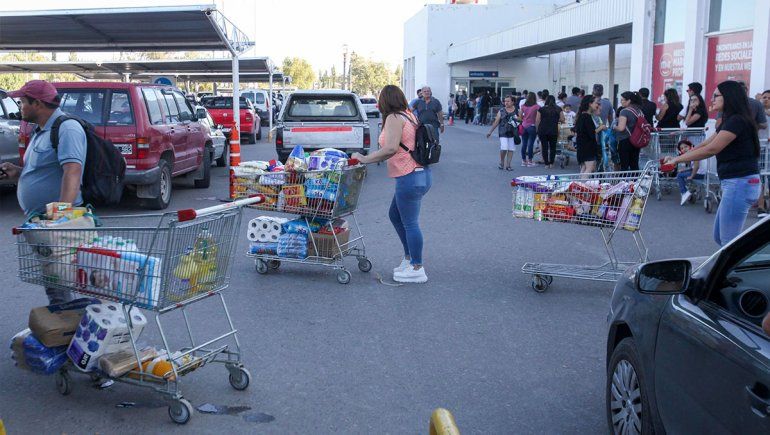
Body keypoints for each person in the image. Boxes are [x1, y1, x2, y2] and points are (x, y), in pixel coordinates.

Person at [0, 80, 87, 304]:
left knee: (59, 280)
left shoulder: (67, 128)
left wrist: (59, 218)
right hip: (43, 220)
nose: (19, 107)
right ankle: (64, 324)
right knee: (54, 281)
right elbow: (45, 170)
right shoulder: (40, 131)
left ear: (37, 103)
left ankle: (65, 326)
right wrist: (18, 172)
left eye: (22, 102)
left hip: (57, 220)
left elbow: (72, 172)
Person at [664, 80, 762, 247]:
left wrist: (677, 160)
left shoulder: (737, 120)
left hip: (740, 182)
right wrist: (678, 157)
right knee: (720, 238)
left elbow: (712, 149)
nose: (712, 99)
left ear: (729, 97)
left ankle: (734, 270)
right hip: (735, 182)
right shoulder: (729, 119)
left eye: (716, 95)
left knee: (728, 243)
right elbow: (707, 144)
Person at [352, 85, 431, 283]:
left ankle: (417, 267)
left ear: (386, 101)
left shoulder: (394, 118)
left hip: (409, 175)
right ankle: (409, 258)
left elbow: (390, 149)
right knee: (395, 215)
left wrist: (364, 158)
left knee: (410, 222)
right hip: (420, 173)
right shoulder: (409, 115)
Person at [574, 95, 606, 175]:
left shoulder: (582, 115)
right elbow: (591, 133)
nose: (597, 105)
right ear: (589, 104)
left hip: (582, 146)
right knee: (589, 169)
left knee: (584, 168)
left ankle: (579, 186)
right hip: (588, 147)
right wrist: (601, 127)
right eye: (596, 103)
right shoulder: (587, 117)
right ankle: (582, 186)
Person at [613, 91, 645, 171]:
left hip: (625, 140)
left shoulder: (624, 111)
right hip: (636, 140)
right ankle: (636, 182)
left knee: (624, 165)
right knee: (634, 164)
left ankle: (624, 182)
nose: (621, 102)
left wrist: (614, 126)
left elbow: (621, 128)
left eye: (623, 100)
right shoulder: (639, 111)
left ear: (629, 101)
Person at [486, 95, 519, 171]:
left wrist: (518, 120)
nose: (506, 103)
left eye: (508, 101)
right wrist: (490, 132)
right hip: (503, 132)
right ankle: (501, 162)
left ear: (513, 102)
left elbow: (520, 120)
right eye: (505, 101)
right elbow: (496, 122)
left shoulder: (517, 110)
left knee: (511, 149)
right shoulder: (501, 111)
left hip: (513, 132)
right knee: (504, 148)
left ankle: (508, 165)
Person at [674, 140, 706, 205]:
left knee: (679, 175)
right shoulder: (692, 153)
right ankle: (687, 191)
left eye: (686, 147)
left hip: (699, 174)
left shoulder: (695, 153)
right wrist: (684, 170)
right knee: (681, 172)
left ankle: (684, 193)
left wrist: (692, 176)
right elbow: (692, 166)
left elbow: (696, 166)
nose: (684, 149)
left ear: (690, 146)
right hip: (698, 172)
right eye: (682, 148)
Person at [536, 95, 564, 169]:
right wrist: (556, 119)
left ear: (546, 100)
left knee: (544, 147)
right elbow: (562, 119)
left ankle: (546, 164)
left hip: (543, 129)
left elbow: (537, 120)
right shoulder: (558, 109)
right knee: (553, 147)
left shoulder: (541, 109)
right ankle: (551, 163)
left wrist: (537, 129)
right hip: (553, 130)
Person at [519, 92, 540, 167]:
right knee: (530, 144)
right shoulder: (537, 107)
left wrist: (524, 120)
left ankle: (523, 161)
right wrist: (537, 128)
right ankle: (530, 161)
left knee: (524, 143)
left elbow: (520, 117)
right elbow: (538, 119)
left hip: (524, 126)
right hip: (532, 126)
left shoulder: (523, 106)